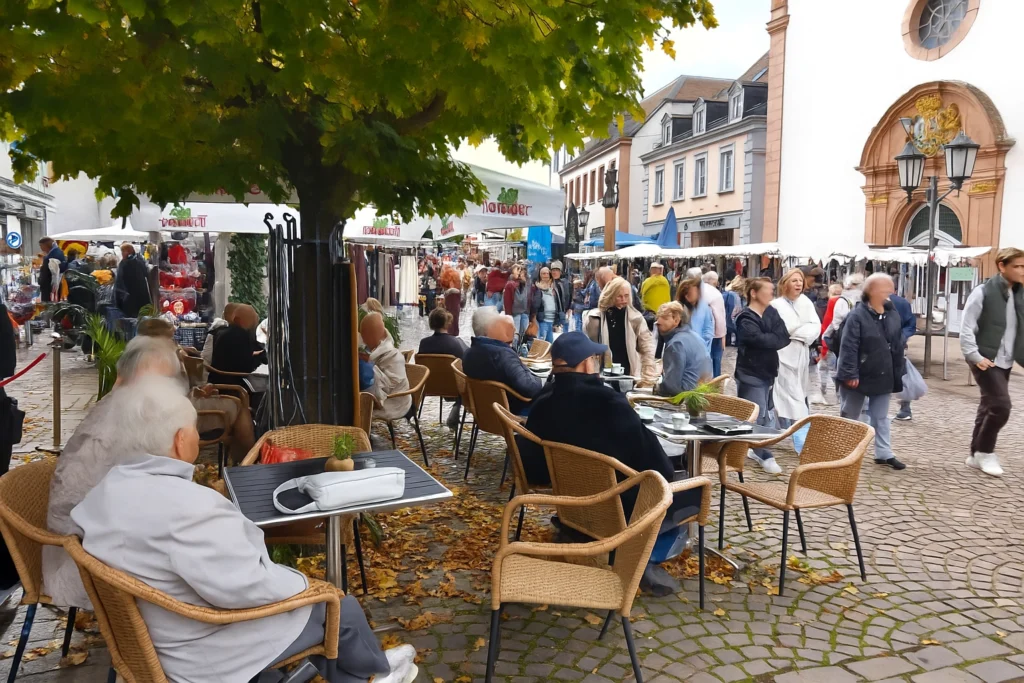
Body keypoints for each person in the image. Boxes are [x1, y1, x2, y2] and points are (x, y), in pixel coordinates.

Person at [69, 377, 417, 683]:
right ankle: (377, 674)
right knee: (339, 607)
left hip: (153, 638)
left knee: (322, 609)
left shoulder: (103, 494)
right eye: (193, 428)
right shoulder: (190, 509)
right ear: (179, 440)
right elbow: (247, 587)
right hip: (204, 651)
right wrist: (306, 585)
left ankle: (365, 672)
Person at [516, 331, 703, 596]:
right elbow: (660, 468)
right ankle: (642, 558)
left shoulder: (543, 402)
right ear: (585, 364)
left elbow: (533, 463)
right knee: (690, 492)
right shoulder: (610, 403)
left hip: (570, 501)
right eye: (593, 357)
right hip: (617, 505)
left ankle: (586, 535)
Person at [44, 336, 186, 608]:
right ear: (132, 378)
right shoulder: (121, 423)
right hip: (88, 561)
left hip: (102, 540)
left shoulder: (129, 408)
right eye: (158, 382)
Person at [959, 247, 1024, 478]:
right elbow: (966, 328)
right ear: (1001, 266)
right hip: (985, 358)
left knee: (988, 405)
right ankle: (986, 452)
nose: (1022, 271)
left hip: (1006, 359)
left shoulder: (1019, 293)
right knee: (1001, 406)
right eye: (1017, 266)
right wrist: (975, 356)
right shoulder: (983, 292)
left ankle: (975, 454)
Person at [835, 273, 907, 471]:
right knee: (851, 414)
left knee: (881, 416)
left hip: (883, 373)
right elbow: (848, 346)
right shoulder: (857, 315)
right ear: (872, 291)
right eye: (886, 288)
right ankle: (845, 452)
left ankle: (884, 453)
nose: (890, 292)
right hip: (859, 374)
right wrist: (850, 374)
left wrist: (897, 370)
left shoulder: (892, 313)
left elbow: (897, 343)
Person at [735, 278, 791, 474]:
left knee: (766, 413)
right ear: (754, 293)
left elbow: (784, 337)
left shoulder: (771, 312)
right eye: (768, 290)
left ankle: (756, 447)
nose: (771, 293)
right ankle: (762, 453)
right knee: (756, 415)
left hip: (769, 371)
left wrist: (770, 338)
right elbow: (756, 339)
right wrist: (771, 338)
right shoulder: (745, 317)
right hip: (750, 372)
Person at [463, 307, 542, 415]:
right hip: (512, 412)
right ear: (491, 328)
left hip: (487, 411)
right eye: (498, 323)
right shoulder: (501, 355)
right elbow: (530, 388)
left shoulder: (469, 353)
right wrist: (539, 379)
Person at [770, 269, 820, 430]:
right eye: (794, 281)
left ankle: (788, 428)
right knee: (789, 394)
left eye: (800, 280)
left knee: (798, 391)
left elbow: (815, 327)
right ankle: (798, 433)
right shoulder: (775, 305)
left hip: (802, 353)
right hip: (783, 354)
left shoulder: (806, 302)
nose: (798, 283)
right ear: (785, 284)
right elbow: (786, 329)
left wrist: (799, 332)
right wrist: (799, 330)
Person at [583, 277, 657, 387]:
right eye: (619, 296)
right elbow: (588, 350)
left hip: (628, 374)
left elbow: (647, 349)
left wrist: (647, 377)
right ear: (611, 295)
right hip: (602, 375)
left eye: (626, 296)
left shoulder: (635, 318)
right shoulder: (595, 317)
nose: (623, 299)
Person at [418, 307, 468, 429]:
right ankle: (457, 406)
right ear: (447, 322)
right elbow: (464, 365)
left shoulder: (424, 343)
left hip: (428, 385)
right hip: (453, 386)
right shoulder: (456, 343)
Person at [360, 312, 412, 421]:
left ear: (373, 335)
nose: (363, 341)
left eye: (365, 336)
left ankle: (361, 432)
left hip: (394, 402)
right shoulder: (378, 353)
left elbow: (387, 386)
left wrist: (366, 366)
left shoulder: (392, 356)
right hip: (384, 396)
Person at [655, 302, 711, 396]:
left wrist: (656, 387)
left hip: (687, 397)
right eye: (658, 317)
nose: (658, 322)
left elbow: (672, 387)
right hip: (702, 394)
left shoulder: (676, 344)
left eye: (665, 318)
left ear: (676, 321)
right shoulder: (695, 336)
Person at [209, 304, 267, 386]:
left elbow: (237, 358)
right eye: (252, 320)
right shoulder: (240, 334)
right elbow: (246, 367)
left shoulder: (225, 332)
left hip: (219, 380)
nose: (254, 324)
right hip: (231, 385)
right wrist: (261, 357)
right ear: (239, 320)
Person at [889, 286, 917, 421]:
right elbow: (911, 325)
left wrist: (901, 338)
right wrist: (902, 337)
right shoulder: (902, 302)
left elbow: (910, 325)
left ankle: (905, 408)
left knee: (901, 374)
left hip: (889, 346)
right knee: (901, 374)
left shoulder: (900, 303)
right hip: (897, 345)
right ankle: (905, 408)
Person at [696, 270, 727, 378]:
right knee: (715, 361)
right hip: (712, 333)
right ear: (714, 282)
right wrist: (721, 335)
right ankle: (715, 387)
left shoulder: (694, 289)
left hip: (695, 331)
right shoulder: (715, 293)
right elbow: (719, 317)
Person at [817, 283, 844, 405]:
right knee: (835, 369)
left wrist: (823, 344)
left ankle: (825, 393)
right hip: (841, 344)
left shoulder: (832, 303)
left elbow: (827, 325)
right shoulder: (845, 303)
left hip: (830, 343)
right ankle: (838, 395)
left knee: (825, 369)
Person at [675, 277, 715, 353]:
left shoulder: (704, 307)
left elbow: (708, 330)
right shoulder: (678, 308)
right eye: (686, 292)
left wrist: (703, 347)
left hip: (700, 351)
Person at [114, 242, 151, 318]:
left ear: (128, 252)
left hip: (130, 301)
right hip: (142, 298)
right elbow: (146, 274)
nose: (122, 254)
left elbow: (119, 283)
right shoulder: (140, 261)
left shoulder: (124, 264)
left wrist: (119, 300)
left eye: (123, 251)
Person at [530, 266, 559, 343]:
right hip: (543, 320)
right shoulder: (536, 288)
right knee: (541, 343)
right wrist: (533, 317)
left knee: (549, 343)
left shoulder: (553, 288)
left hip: (552, 320)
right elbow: (535, 304)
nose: (546, 275)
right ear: (540, 275)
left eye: (547, 273)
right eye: (543, 273)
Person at [503, 264, 530, 344]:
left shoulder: (524, 283)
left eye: (521, 270)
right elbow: (507, 301)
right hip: (515, 313)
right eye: (517, 270)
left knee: (523, 334)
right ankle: (514, 350)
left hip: (524, 312)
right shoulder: (511, 284)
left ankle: (520, 349)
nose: (519, 272)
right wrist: (509, 315)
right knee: (515, 334)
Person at [549, 260, 571, 331]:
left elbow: (569, 296)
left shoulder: (566, 283)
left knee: (565, 333)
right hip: (552, 313)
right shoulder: (548, 284)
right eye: (553, 270)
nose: (554, 272)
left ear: (560, 272)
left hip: (563, 311)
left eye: (556, 270)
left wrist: (570, 308)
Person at [723, 276, 744, 346]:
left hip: (725, 323)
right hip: (732, 324)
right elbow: (737, 311)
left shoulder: (725, 292)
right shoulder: (735, 296)